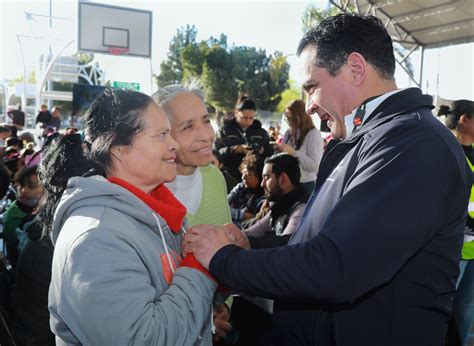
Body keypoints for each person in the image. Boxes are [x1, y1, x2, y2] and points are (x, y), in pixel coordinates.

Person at [183, 14, 471, 345]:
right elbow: (323, 238)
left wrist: (225, 260)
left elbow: (337, 266)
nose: (308, 106)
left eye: (312, 87)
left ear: (355, 69)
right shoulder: (373, 138)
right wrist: (252, 246)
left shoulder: (414, 145)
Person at [38, 89, 217, 344]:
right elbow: (143, 338)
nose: (173, 144)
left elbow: (173, 295)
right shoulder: (96, 239)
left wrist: (219, 263)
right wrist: (199, 267)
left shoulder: (155, 213)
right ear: (119, 148)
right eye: (162, 135)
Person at [153, 81, 232, 342]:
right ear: (163, 135)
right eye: (188, 127)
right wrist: (204, 321)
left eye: (206, 121)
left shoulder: (215, 178)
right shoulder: (149, 192)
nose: (206, 135)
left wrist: (222, 309)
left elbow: (225, 254)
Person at [227, 153, 308, 346]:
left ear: (283, 179)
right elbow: (251, 232)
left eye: (267, 177)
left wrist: (244, 244)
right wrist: (227, 235)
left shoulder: (301, 209)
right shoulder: (279, 207)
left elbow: (286, 245)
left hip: (283, 303)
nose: (262, 184)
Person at [439, 100, 474, 345]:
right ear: (464, 119)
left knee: (467, 310)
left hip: (472, 250)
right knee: (442, 309)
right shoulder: (446, 149)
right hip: (454, 247)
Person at [214, 95, 273, 180]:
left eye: (251, 118)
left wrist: (261, 150)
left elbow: (270, 154)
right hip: (230, 176)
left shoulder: (261, 133)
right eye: (245, 117)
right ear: (237, 113)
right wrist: (234, 149)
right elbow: (216, 154)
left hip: (255, 179)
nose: (248, 121)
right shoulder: (224, 131)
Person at [274, 99, 324, 196]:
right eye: (287, 119)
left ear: (301, 117)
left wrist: (293, 153)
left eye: (291, 119)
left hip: (305, 186)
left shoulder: (313, 134)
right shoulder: (288, 133)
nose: (289, 122)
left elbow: (314, 166)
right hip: (287, 184)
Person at [227, 153, 265, 228]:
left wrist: (232, 212)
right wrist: (242, 214)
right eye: (243, 173)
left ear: (259, 178)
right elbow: (223, 206)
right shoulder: (240, 187)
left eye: (249, 174)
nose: (244, 177)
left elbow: (255, 222)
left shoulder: (264, 198)